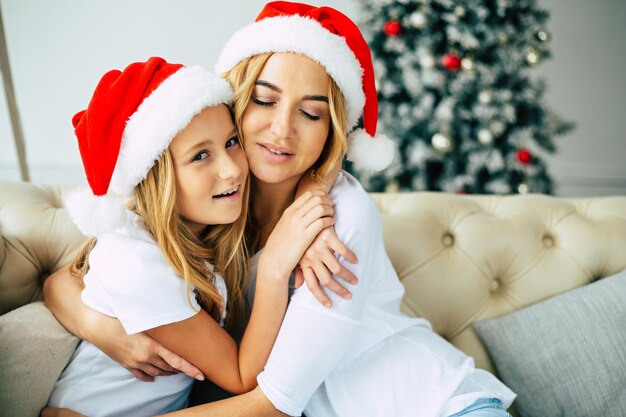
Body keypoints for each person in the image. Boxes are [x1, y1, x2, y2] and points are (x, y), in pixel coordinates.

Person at [43, 2, 516, 417]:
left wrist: (295, 229)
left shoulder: (339, 218)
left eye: (311, 114)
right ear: (233, 105)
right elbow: (71, 278)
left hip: (434, 405)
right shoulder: (213, 201)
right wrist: (106, 331)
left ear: (333, 130)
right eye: (265, 101)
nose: (282, 129)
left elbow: (272, 402)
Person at [45, 56, 338, 417]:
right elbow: (242, 375)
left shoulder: (202, 231)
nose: (232, 169)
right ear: (157, 178)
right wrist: (274, 268)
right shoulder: (137, 259)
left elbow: (329, 154)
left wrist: (312, 189)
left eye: (232, 142)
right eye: (201, 155)